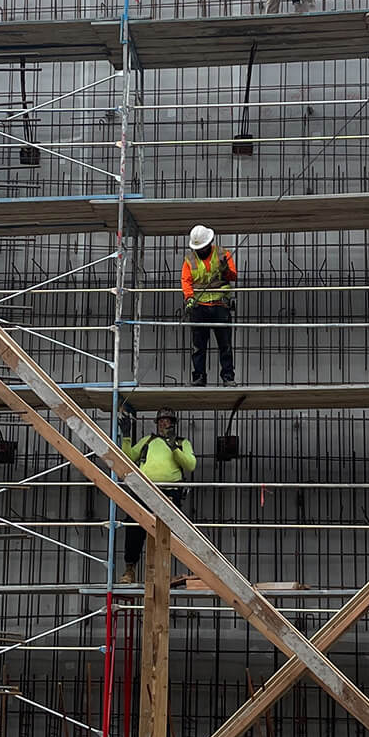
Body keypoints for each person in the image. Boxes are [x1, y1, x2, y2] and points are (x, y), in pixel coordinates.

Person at [118, 407, 195, 585]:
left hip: (170, 491)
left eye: (167, 421)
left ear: (173, 424)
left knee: (165, 532)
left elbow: (190, 465)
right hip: (144, 490)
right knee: (134, 527)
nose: (163, 424)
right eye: (161, 421)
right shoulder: (148, 441)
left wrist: (173, 447)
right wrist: (126, 437)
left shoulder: (182, 443)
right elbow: (128, 457)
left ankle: (162, 573)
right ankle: (130, 569)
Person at [181, 224, 236, 387]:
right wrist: (189, 298)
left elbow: (233, 276)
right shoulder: (190, 260)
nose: (200, 250)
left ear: (210, 243)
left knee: (225, 345)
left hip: (220, 304)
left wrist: (225, 270)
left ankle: (228, 377)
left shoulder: (223, 255)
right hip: (199, 306)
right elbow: (186, 281)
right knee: (198, 346)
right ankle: (199, 377)